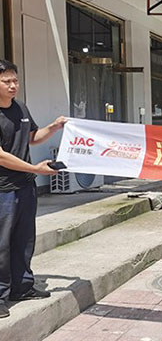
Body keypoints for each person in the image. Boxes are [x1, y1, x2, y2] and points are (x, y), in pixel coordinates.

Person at [0, 59, 67, 318]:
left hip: (25, 187)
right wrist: (35, 169)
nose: (13, 85)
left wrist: (54, 127)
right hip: (3, 190)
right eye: (6, 81)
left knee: (24, 239)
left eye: (15, 80)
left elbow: (31, 137)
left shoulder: (20, 108)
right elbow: (1, 156)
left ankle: (22, 287)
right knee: (1, 244)